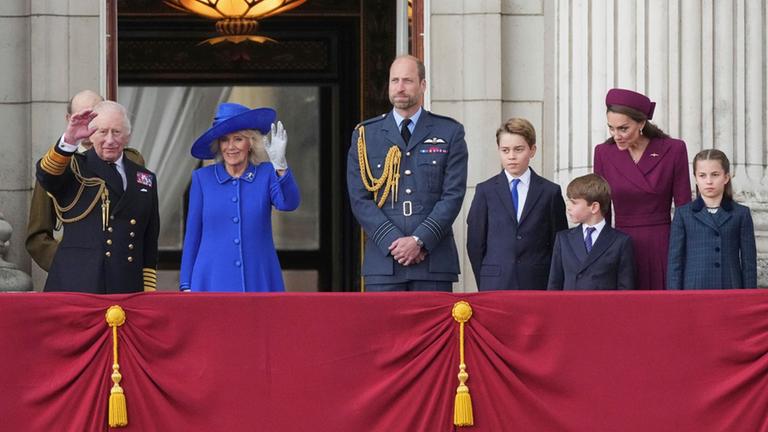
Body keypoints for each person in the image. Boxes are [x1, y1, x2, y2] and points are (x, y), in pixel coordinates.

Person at [346, 55, 468, 292]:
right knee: (383, 330)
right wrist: (394, 241)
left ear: (423, 85)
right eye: (395, 81)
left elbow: (453, 195)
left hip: (433, 261)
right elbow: (359, 198)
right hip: (384, 262)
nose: (400, 88)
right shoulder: (365, 135)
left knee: (433, 331)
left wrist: (419, 240)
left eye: (407, 81)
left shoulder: (449, 131)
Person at [35, 100, 159, 293]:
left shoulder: (145, 178)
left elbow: (149, 240)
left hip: (127, 286)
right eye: (102, 132)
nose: (110, 140)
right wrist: (69, 140)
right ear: (90, 136)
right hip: (77, 284)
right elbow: (46, 175)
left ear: (127, 136)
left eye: (116, 132)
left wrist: (148, 290)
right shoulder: (75, 167)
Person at [179, 103, 300, 292]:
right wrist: (186, 282)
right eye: (225, 140)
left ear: (250, 142)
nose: (231, 147)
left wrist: (280, 165)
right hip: (212, 279)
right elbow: (193, 233)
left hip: (258, 276)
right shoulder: (203, 178)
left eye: (238, 139)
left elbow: (289, 203)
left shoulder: (267, 174)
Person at [26, 90, 145, 271]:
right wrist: (69, 264)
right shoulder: (56, 166)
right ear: (69, 120)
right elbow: (38, 236)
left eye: (95, 116)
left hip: (121, 271)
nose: (89, 124)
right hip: (77, 275)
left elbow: (143, 224)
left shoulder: (131, 161)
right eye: (82, 117)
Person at [594, 88, 691, 290]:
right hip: (620, 244)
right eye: (611, 128)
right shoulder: (603, 153)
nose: (616, 135)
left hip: (662, 243)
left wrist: (683, 252)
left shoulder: (674, 149)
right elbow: (601, 209)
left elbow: (684, 207)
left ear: (641, 123)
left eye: (623, 128)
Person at [467, 118, 567, 291]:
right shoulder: (485, 190)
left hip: (537, 283)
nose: (511, 156)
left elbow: (558, 243)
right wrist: (486, 278)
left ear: (532, 150)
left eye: (518, 149)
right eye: (505, 150)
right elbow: (475, 243)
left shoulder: (550, 192)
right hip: (495, 283)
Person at [667, 149, 756, 289]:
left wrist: (749, 296)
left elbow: (749, 263)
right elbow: (675, 262)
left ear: (726, 177)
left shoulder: (741, 214)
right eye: (702, 175)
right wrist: (674, 297)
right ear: (696, 178)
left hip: (730, 288)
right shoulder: (683, 214)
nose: (709, 181)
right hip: (694, 289)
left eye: (715, 175)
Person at [547, 174, 635, 290]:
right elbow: (554, 284)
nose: (568, 207)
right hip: (570, 306)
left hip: (603, 307)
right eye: (568, 201)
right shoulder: (563, 239)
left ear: (594, 207)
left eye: (574, 202)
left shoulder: (621, 242)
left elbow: (625, 288)